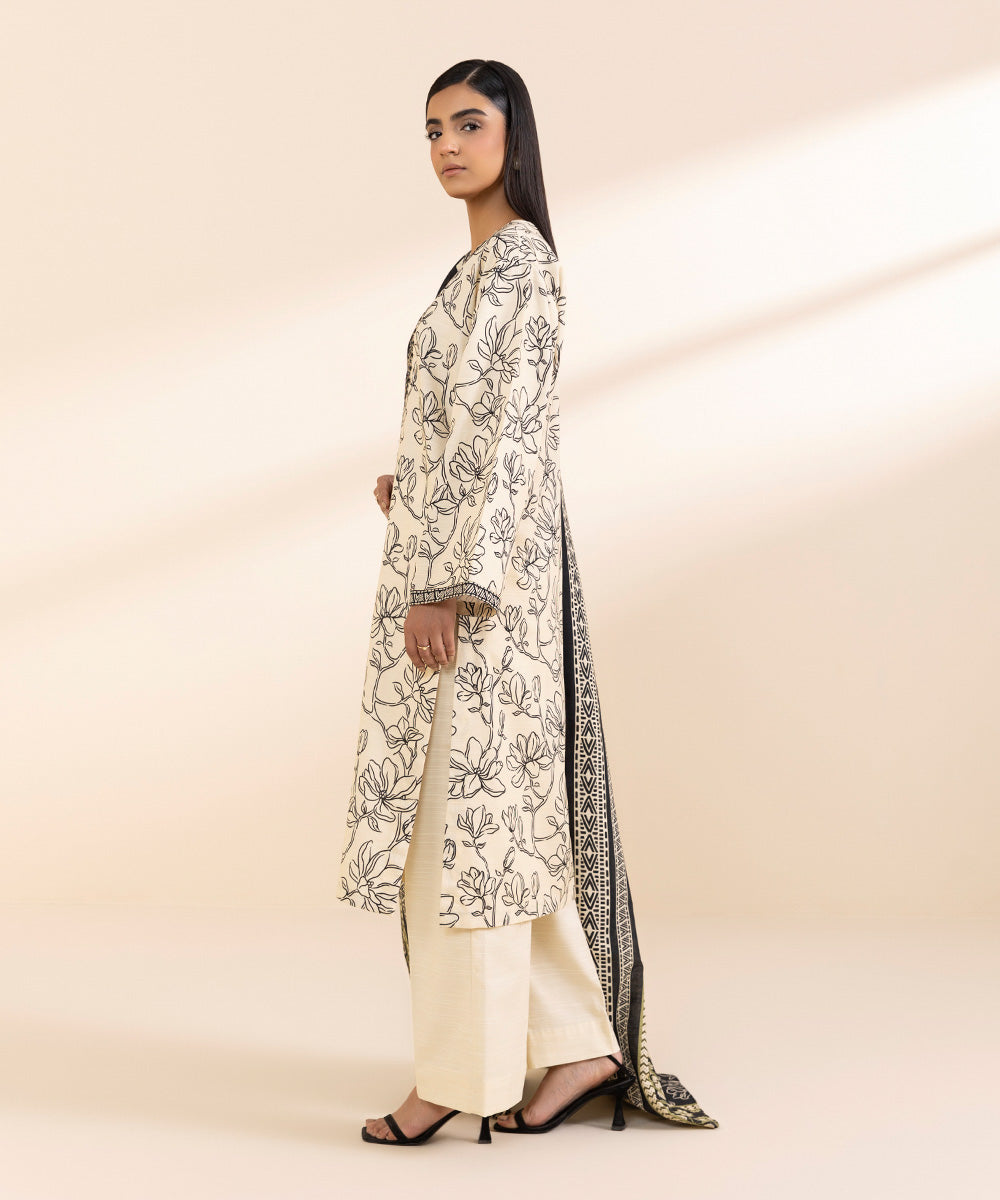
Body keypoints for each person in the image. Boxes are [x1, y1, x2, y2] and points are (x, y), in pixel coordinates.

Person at [338, 58, 719, 1146]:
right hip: (483, 574)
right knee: (504, 829)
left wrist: (447, 583)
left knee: (464, 836)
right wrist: (418, 487)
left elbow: (511, 444)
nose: (446, 146)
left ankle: (457, 1077)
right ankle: (579, 1042)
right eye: (431, 130)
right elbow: (474, 434)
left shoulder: (518, 265)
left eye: (468, 123)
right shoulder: (478, 269)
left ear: (515, 135)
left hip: (483, 603)